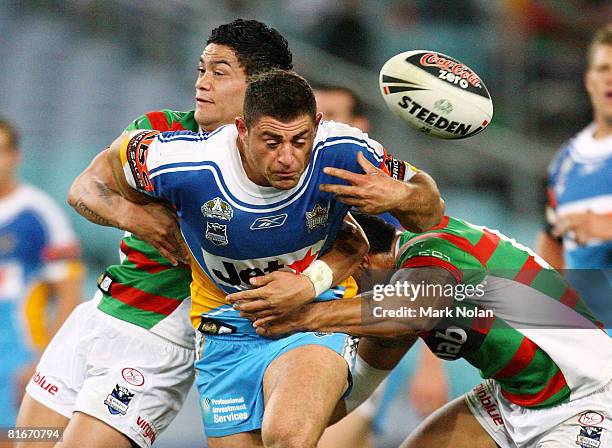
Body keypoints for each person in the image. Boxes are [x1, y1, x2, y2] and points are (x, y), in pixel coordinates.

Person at [16, 20, 318, 448]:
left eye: (220, 72)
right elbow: (84, 189)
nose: (202, 83)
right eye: (201, 70)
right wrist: (135, 217)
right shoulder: (160, 129)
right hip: (97, 314)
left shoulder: (279, 170)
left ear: (259, 87)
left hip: (157, 341)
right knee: (27, 441)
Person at [108, 69, 444, 447]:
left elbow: (429, 205)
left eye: (300, 140)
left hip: (307, 326)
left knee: (288, 438)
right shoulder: (184, 162)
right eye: (271, 141)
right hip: (222, 334)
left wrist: (399, 198)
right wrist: (143, 217)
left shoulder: (344, 151)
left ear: (317, 126)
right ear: (242, 129)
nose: (288, 157)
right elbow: (115, 165)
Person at [256, 212, 612, 448]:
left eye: (334, 279)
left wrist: (303, 315)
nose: (334, 290)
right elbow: (355, 390)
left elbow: (412, 309)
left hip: (588, 397)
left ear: (361, 261)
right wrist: (264, 429)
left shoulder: (435, 248)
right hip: (511, 398)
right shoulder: (391, 308)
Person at [0, 118, 83, 427]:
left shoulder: (38, 213)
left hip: (15, 361)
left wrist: (44, 363)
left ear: (15, 156)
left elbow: (69, 295)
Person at [536, 23, 612, 271]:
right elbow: (551, 239)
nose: (610, 77)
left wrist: (603, 226)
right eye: (603, 69)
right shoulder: (565, 161)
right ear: (590, 80)